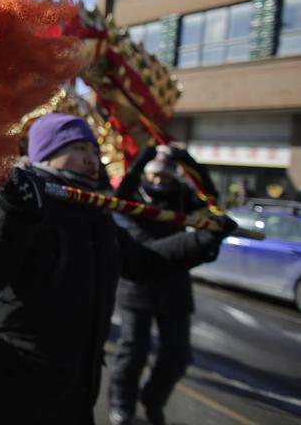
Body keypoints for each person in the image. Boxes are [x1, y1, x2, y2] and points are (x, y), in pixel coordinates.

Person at [0, 114, 234, 424]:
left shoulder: (94, 209)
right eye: (79, 148)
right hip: (16, 383)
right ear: (47, 152)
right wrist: (16, 212)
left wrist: (203, 239)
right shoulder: (8, 194)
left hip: (76, 382)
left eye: (94, 151)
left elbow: (141, 262)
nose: (92, 159)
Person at [108, 145, 217, 425]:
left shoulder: (182, 196)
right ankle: (122, 402)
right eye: (154, 175)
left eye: (165, 176)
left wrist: (185, 160)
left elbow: (211, 202)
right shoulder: (131, 195)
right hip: (138, 284)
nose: (159, 181)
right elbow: (120, 195)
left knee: (178, 356)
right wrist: (145, 155)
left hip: (174, 285)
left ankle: (153, 399)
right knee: (133, 352)